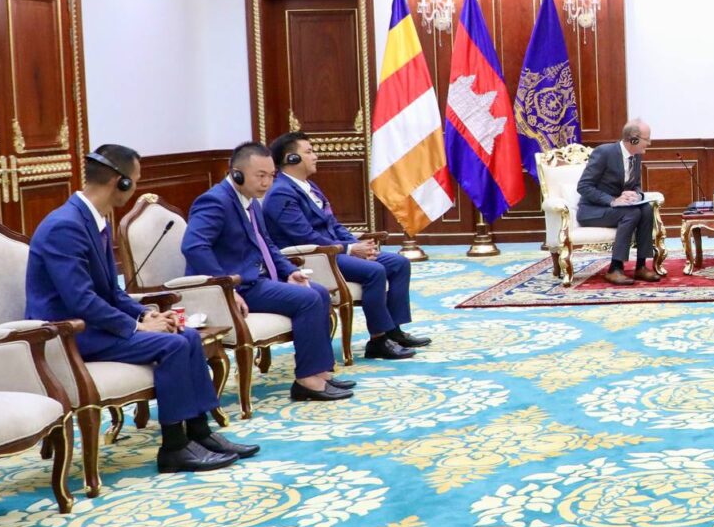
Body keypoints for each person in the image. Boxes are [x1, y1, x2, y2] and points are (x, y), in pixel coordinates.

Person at [26, 144, 258, 473]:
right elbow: (81, 300)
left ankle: (201, 433)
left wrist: (145, 314)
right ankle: (174, 448)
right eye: (134, 180)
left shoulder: (92, 220)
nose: (135, 186)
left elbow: (110, 291)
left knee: (188, 336)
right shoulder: (65, 226)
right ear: (119, 182)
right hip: (68, 335)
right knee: (173, 345)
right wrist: (136, 327)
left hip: (93, 325)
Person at [181, 142, 355, 401]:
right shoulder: (215, 202)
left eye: (271, 175)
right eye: (260, 176)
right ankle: (307, 380)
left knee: (318, 292)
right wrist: (225, 287)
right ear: (237, 173)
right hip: (236, 288)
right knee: (308, 299)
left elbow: (266, 243)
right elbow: (194, 246)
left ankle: (320, 372)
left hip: (256, 279)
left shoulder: (251, 201)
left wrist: (289, 272)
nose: (266, 183)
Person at [263, 132, 428, 360]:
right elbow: (305, 236)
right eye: (309, 152)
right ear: (291, 159)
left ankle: (393, 331)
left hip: (336, 250)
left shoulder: (309, 186)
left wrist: (357, 245)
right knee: (374, 271)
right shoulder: (280, 192)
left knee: (399, 263)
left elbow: (333, 225)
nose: (316, 156)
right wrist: (350, 249)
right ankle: (378, 340)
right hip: (314, 257)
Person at [576, 119, 660, 286]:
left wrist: (636, 195)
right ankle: (615, 268)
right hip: (593, 210)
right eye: (647, 139)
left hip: (619, 209)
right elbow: (583, 186)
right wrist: (612, 201)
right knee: (632, 213)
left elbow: (635, 185)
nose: (649, 143)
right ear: (633, 139)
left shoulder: (636, 156)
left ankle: (641, 266)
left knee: (646, 209)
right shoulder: (604, 153)